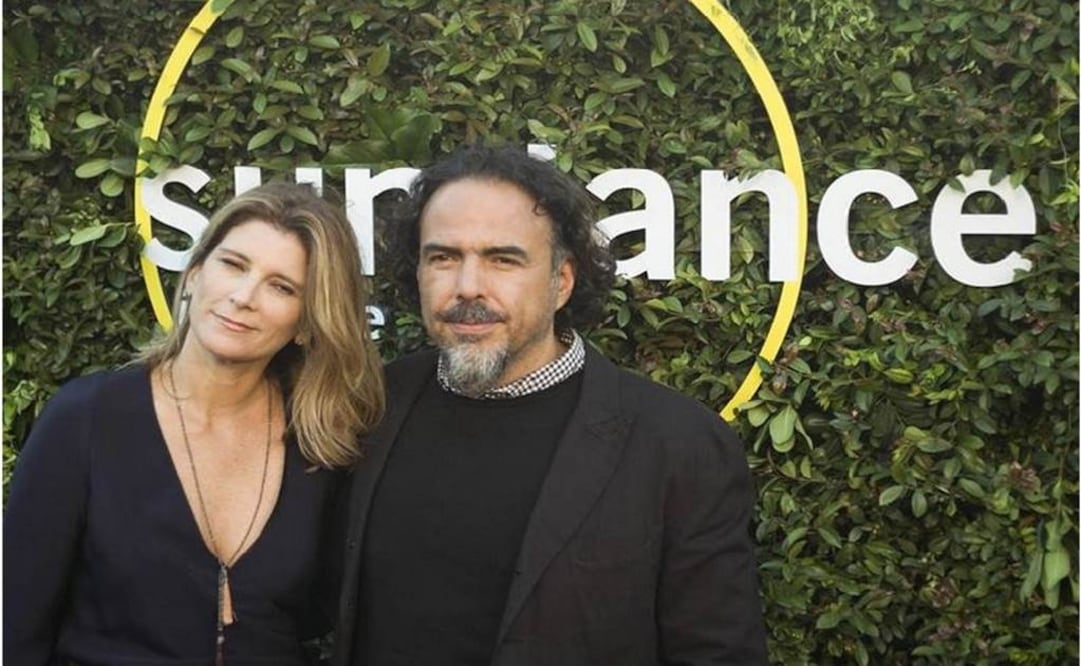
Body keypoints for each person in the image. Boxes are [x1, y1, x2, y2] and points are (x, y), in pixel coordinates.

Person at [334, 144, 767, 665]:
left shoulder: (677, 444)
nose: (468, 287)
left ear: (561, 281)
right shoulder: (371, 406)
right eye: (443, 257)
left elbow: (717, 652)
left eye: (503, 259)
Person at [4, 182, 385, 665]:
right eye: (233, 265)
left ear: (308, 323)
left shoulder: (321, 444)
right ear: (195, 273)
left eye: (281, 286)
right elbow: (15, 625)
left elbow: (316, 615)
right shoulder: (86, 419)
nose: (244, 296)